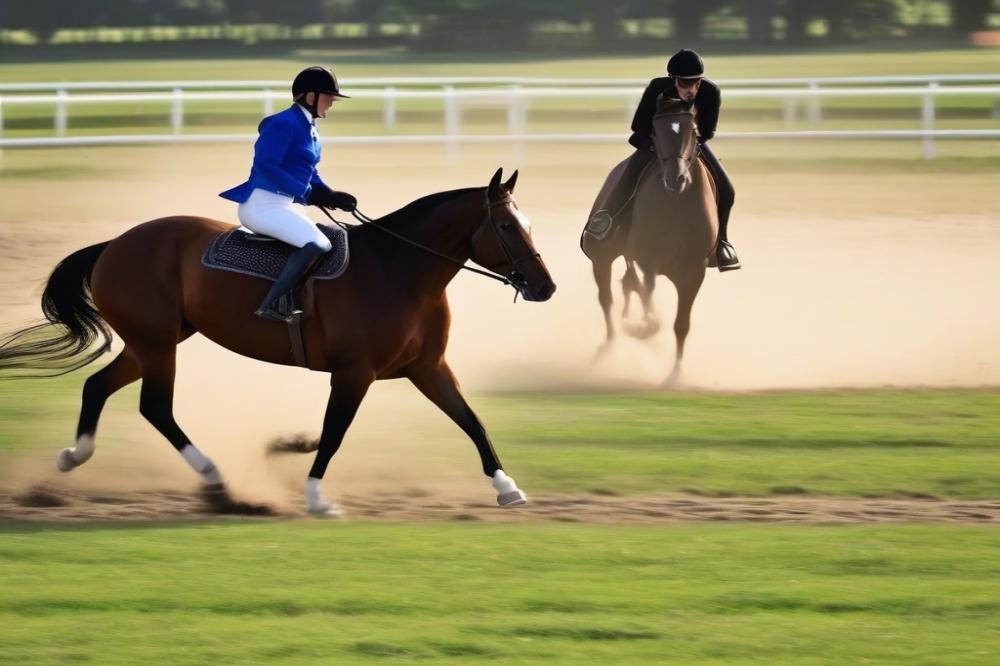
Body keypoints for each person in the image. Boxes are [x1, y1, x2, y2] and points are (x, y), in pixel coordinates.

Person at [220, 66, 359, 321]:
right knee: (318, 243)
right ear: (310, 97)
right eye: (329, 98)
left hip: (286, 206)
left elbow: (310, 171)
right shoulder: (281, 124)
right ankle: (272, 304)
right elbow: (267, 166)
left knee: (330, 237)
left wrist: (330, 194)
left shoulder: (310, 128)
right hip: (262, 206)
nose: (331, 104)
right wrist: (308, 192)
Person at [590, 49, 740, 271]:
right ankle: (606, 218)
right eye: (685, 82)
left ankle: (721, 241)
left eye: (696, 82)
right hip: (654, 143)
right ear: (673, 80)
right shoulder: (656, 89)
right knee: (628, 174)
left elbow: (707, 131)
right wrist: (660, 145)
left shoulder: (710, 92)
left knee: (727, 189)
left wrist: (685, 145)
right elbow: (638, 126)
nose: (691, 88)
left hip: (691, 144)